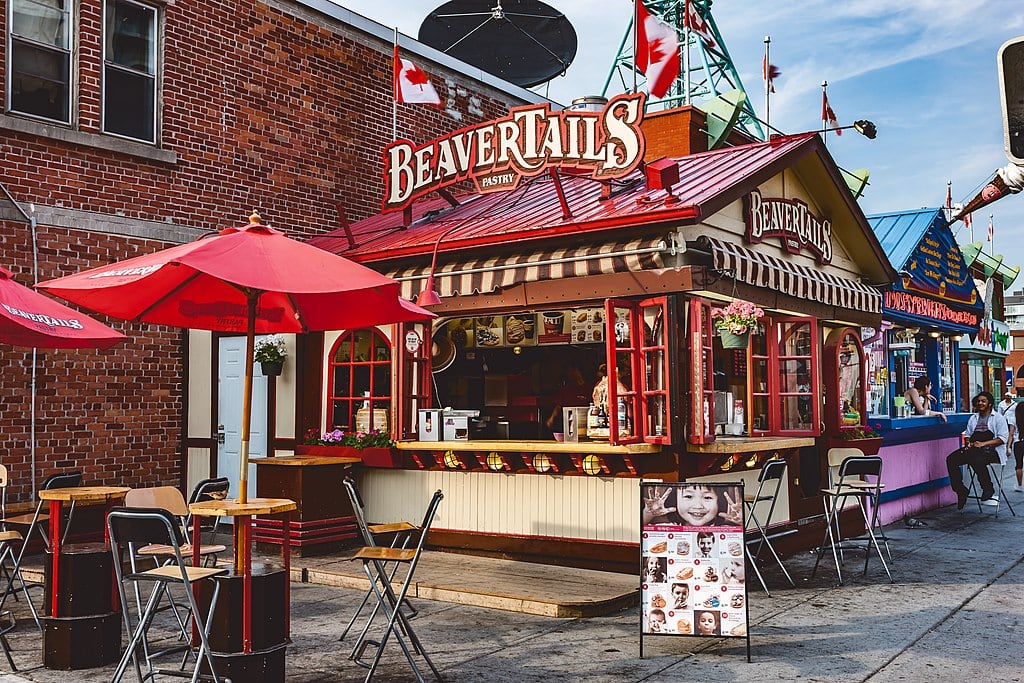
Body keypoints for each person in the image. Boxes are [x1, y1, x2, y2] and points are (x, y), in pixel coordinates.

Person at [946, 391, 1008, 509]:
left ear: (989, 403)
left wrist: (983, 444)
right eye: (979, 401)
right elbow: (968, 434)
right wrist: (968, 443)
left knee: (975, 459)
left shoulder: (998, 418)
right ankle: (960, 490)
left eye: (983, 401)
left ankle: (987, 488)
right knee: (951, 459)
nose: (980, 403)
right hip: (974, 449)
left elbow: (1002, 438)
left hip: (992, 451)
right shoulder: (973, 418)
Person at [544, 364, 592, 436]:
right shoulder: (566, 389)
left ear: (577, 371)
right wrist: (551, 419)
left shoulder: (589, 388)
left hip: (586, 424)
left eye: (572, 371)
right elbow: (558, 406)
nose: (570, 374)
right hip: (568, 426)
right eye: (569, 372)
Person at [675, 484, 743, 527]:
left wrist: (740, 523)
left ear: (719, 501)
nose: (698, 506)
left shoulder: (726, 529)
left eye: (707, 497)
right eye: (688, 496)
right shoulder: (668, 528)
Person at [1015, 400, 1024, 492]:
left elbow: (1010, 433)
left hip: (1018, 443)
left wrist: (1008, 446)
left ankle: (1019, 485)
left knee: (1019, 465)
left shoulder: (1014, 419)